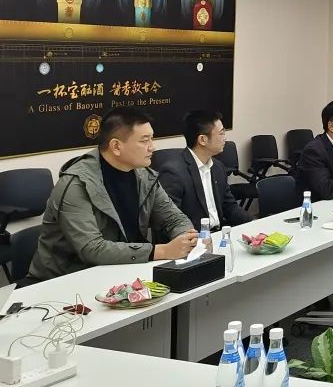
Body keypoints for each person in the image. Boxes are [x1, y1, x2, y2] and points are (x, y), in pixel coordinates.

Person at [28, 107, 200, 283]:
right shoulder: (76, 184)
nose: (152, 147)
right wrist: (162, 251)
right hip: (65, 281)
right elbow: (92, 249)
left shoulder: (144, 176)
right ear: (116, 146)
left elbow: (173, 218)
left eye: (152, 138)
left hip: (122, 272)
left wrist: (186, 239)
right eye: (144, 140)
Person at [158, 110, 251, 230]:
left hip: (219, 234)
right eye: (221, 133)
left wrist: (255, 223)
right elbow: (169, 221)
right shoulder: (173, 172)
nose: (225, 138)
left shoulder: (218, 167)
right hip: (194, 238)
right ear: (202, 140)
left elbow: (230, 207)